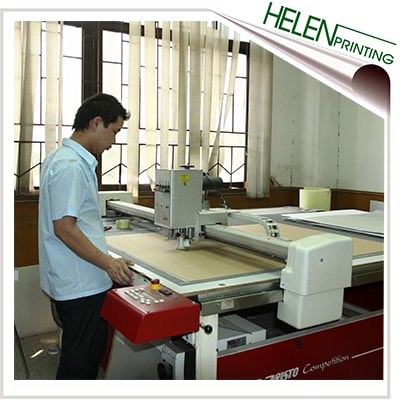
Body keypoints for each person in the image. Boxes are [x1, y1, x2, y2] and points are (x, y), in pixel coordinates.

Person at [38, 93, 134, 379]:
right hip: (81, 287)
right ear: (96, 123)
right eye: (114, 131)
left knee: (81, 357)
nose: (113, 141)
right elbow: (64, 228)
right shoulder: (71, 166)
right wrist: (109, 263)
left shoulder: (61, 158)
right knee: (80, 366)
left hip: (75, 280)